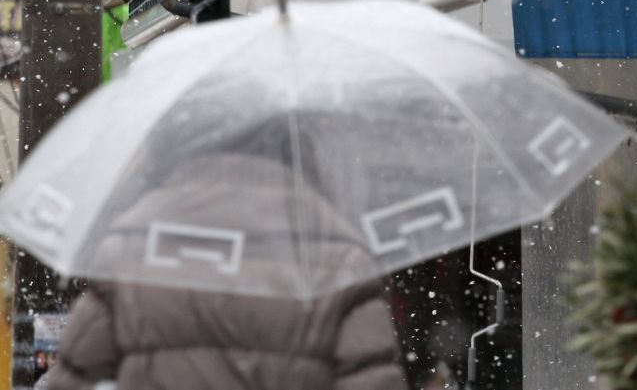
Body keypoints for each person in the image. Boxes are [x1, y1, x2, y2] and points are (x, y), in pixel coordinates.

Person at [45, 117, 407, 390]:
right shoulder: (338, 253)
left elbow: (75, 377)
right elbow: (372, 381)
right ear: (293, 148)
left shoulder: (133, 242)